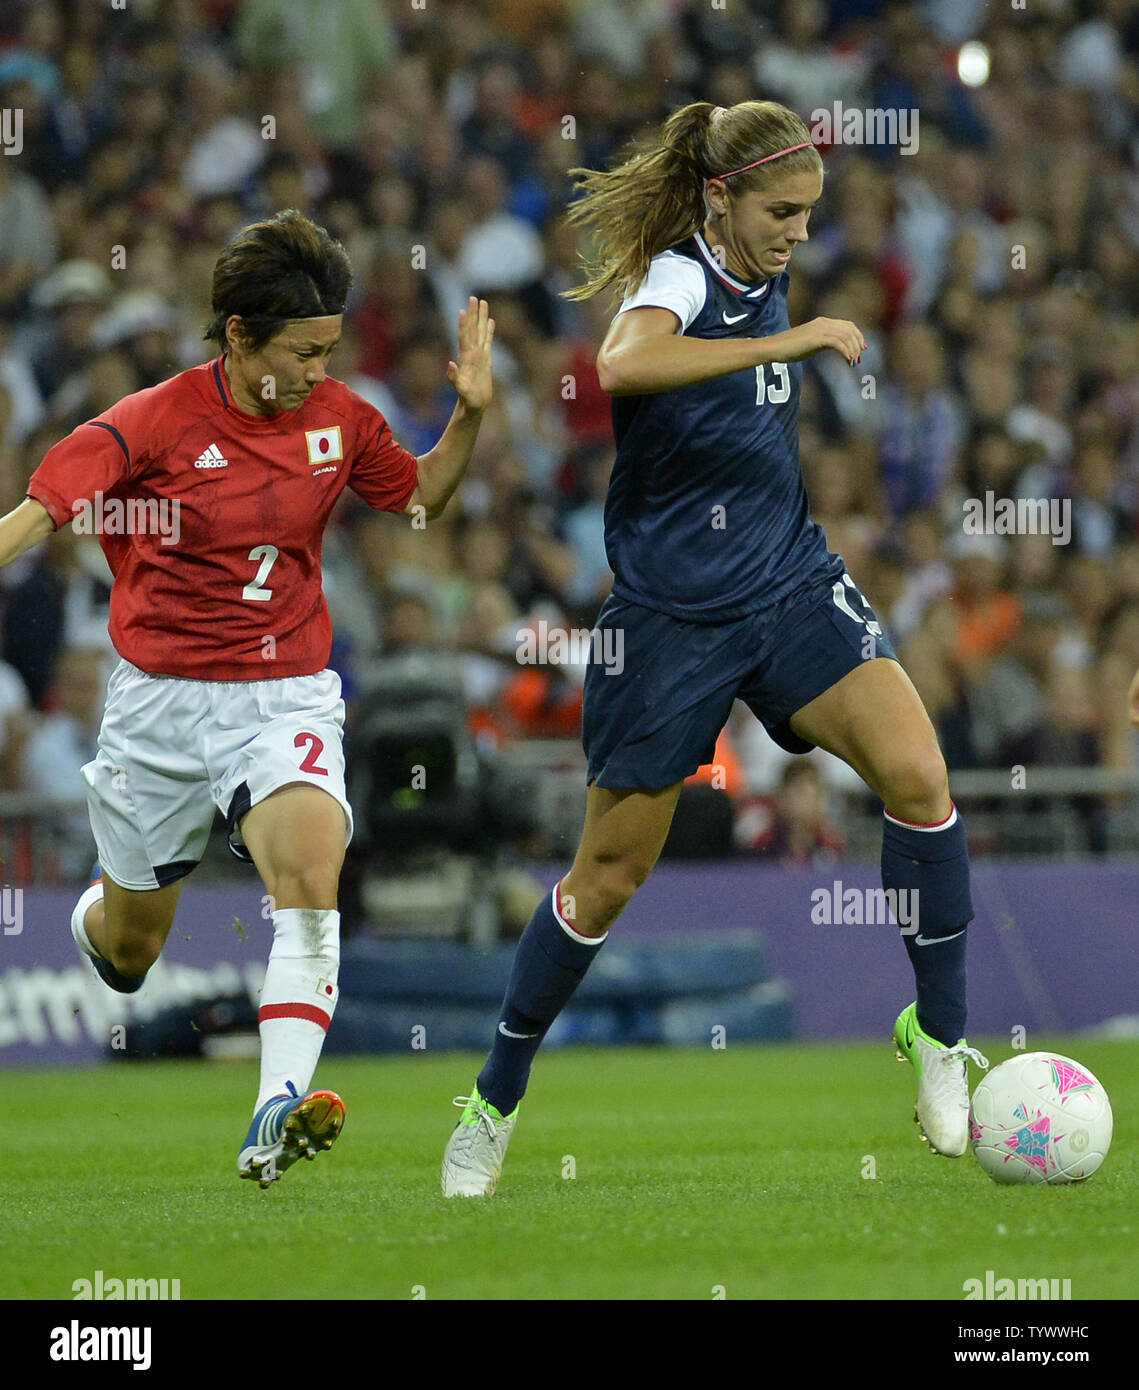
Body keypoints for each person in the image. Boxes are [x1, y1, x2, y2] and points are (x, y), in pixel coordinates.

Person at [441, 100, 987, 1198]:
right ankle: (494, 1096)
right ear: (718, 199)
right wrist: (785, 340)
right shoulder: (684, 277)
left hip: (788, 581)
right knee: (603, 881)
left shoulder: (756, 262)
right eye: (779, 213)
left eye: (806, 215)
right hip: (669, 620)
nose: (795, 233)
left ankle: (938, 1038)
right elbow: (622, 363)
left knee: (920, 778)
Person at [0, 210, 494, 1187]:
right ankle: (102, 912)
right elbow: (38, 512)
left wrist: (468, 415)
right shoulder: (152, 422)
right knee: (132, 953)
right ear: (236, 336)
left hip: (284, 696)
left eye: (328, 349)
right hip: (157, 711)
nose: (317, 369)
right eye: (300, 351)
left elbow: (419, 501)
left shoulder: (339, 420)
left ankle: (275, 1107)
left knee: (311, 871)